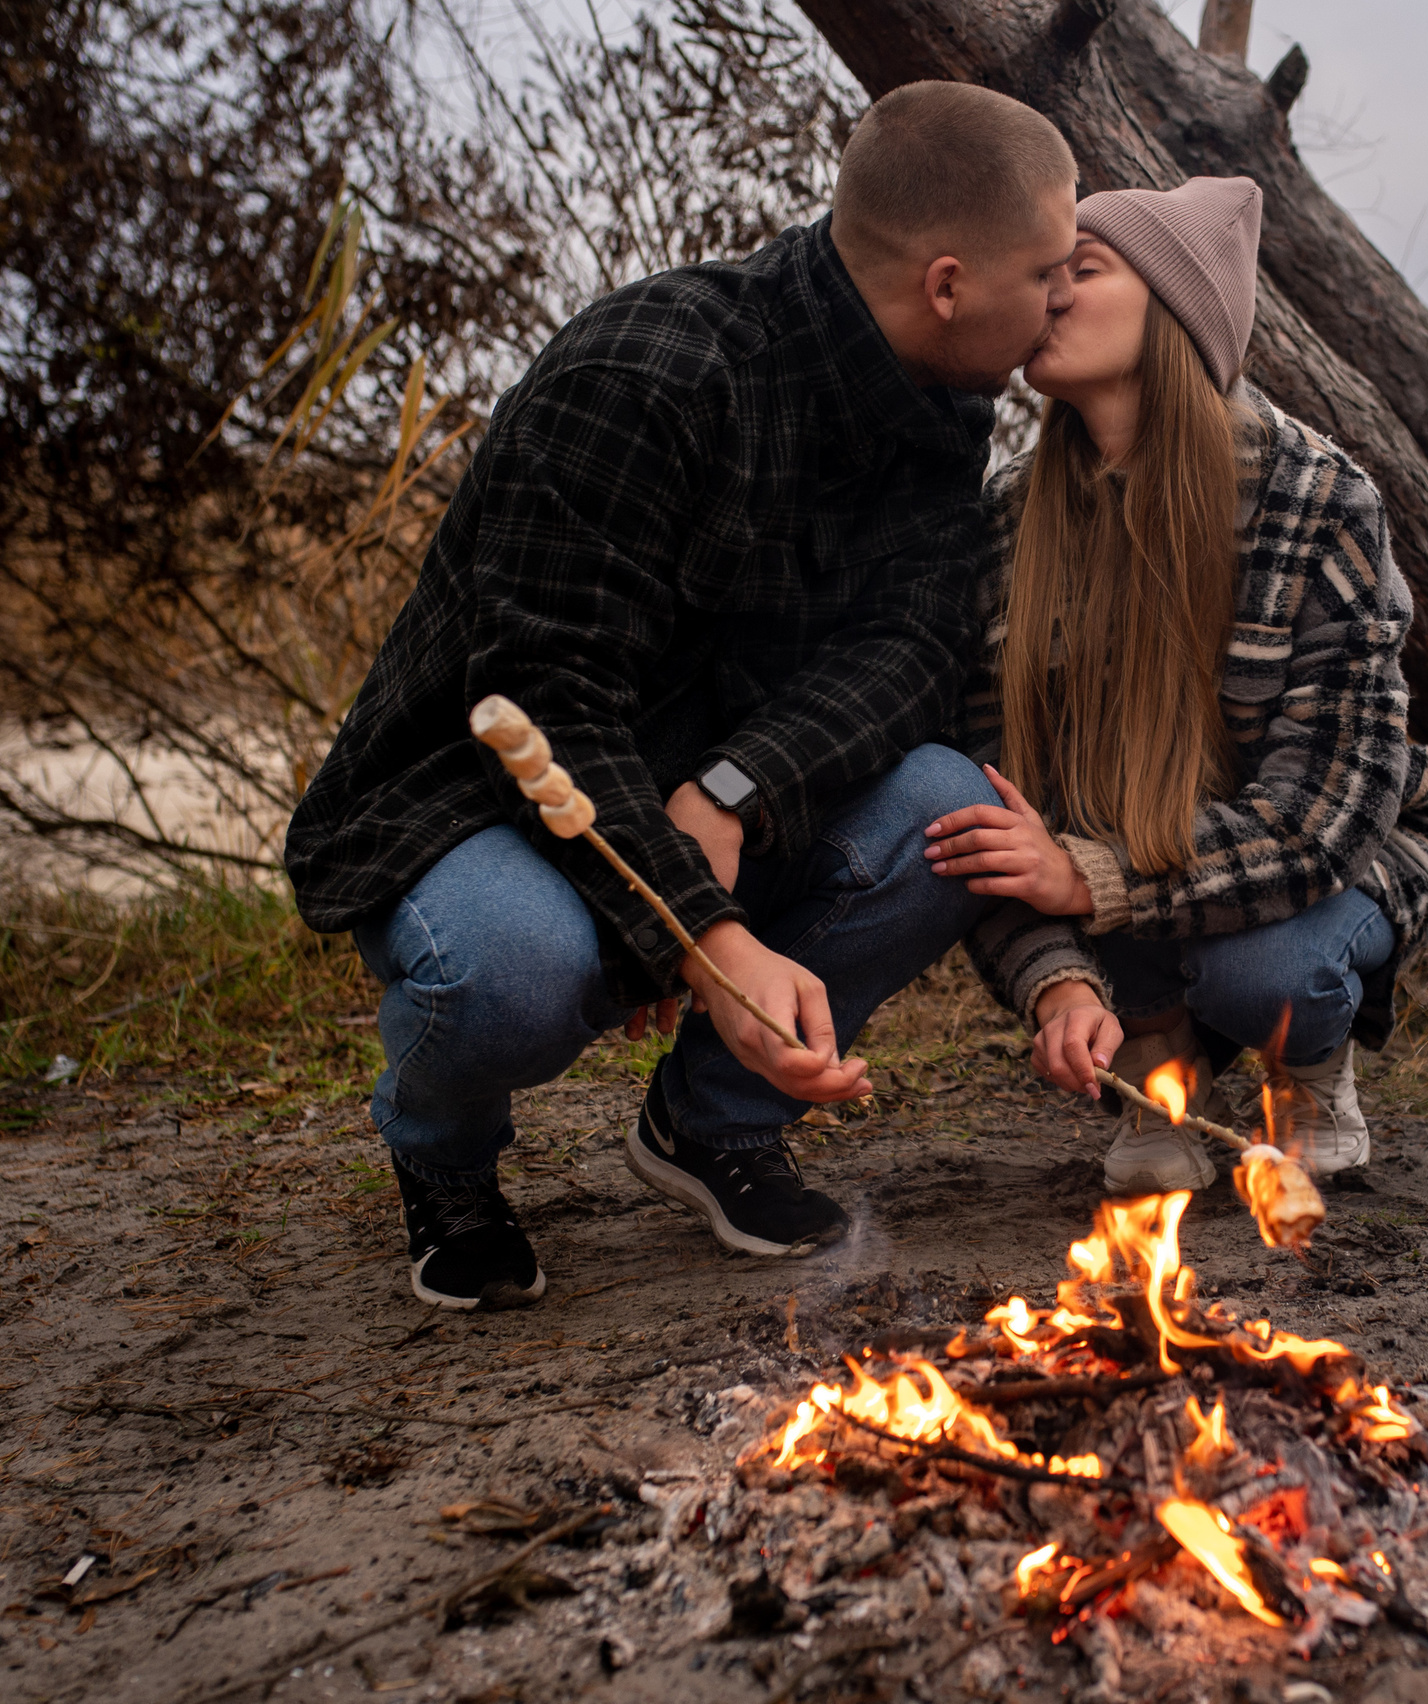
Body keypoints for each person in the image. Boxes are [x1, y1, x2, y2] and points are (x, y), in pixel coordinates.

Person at [285, 83, 1079, 1311]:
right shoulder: (647, 371)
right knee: (509, 972)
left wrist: (737, 787)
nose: (1062, 300)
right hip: (483, 808)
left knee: (945, 808)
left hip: (711, 786)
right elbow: (544, 700)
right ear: (947, 282)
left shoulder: (942, 408)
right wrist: (704, 934)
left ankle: (711, 1128)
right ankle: (442, 1159)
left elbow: (914, 645)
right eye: (1047, 271)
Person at [922, 176, 1428, 1195]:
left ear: (1177, 308)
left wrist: (1095, 879)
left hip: (1319, 857)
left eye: (1079, 272)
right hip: (1124, 872)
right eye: (1043, 274)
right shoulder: (1008, 521)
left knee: (1259, 975)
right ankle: (1156, 1054)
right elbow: (994, 811)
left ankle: (1306, 1064)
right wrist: (1059, 983)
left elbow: (1321, 821)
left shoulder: (1318, 503)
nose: (1045, 296)